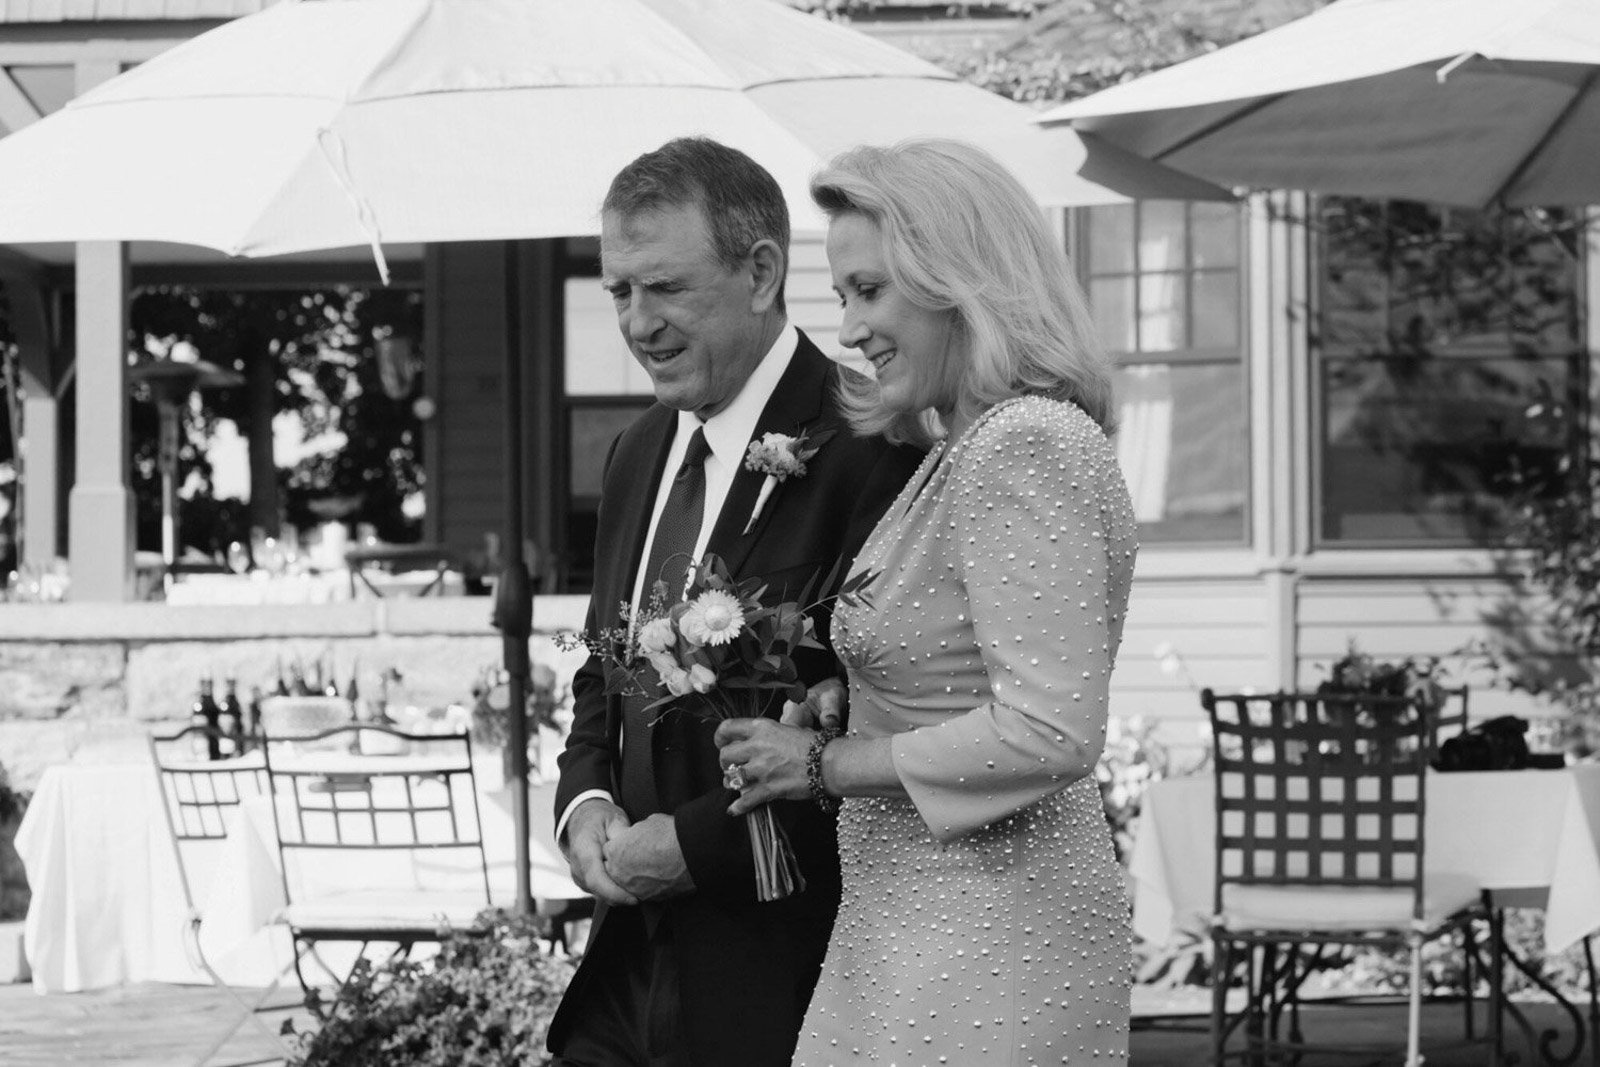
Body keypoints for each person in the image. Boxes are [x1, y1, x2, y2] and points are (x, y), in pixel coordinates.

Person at [715, 138, 1139, 1066]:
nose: (852, 328)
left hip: (986, 937)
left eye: (870, 291)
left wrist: (827, 761)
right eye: (843, 296)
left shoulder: (1023, 445)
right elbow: (958, 672)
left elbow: (1051, 728)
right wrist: (854, 696)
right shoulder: (968, 447)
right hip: (922, 923)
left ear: (961, 279)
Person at [548, 136, 924, 1067]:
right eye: (619, 292)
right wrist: (585, 799)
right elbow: (607, 666)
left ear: (761, 273)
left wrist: (695, 845)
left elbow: (880, 717)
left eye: (664, 288)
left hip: (781, 978)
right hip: (622, 970)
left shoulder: (872, 444)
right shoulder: (636, 450)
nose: (637, 323)